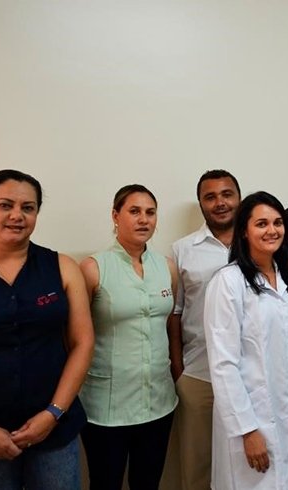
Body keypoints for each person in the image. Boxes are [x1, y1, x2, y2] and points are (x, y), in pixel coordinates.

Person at [204, 191, 288, 489]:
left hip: (287, 415)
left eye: (277, 223)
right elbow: (223, 364)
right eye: (262, 224)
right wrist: (247, 430)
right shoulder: (228, 282)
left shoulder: (287, 281)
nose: (272, 230)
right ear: (244, 230)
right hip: (250, 419)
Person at [0, 169, 93, 489]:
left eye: (28, 207)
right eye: (5, 205)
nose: (17, 215)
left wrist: (53, 413)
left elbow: (82, 342)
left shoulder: (62, 266)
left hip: (53, 428)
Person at [80, 184, 179, 490]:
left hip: (159, 401)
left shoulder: (166, 267)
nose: (143, 219)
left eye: (150, 212)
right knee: (105, 483)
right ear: (115, 215)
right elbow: (74, 335)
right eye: (134, 211)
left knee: (147, 483)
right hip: (107, 405)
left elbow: (169, 323)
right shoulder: (94, 268)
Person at [168, 169, 241, 490]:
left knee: (247, 467)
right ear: (201, 204)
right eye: (210, 197)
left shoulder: (258, 243)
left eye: (226, 194)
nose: (219, 203)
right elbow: (175, 313)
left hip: (250, 376)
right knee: (197, 470)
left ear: (239, 198)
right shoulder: (182, 249)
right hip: (199, 376)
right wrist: (179, 369)